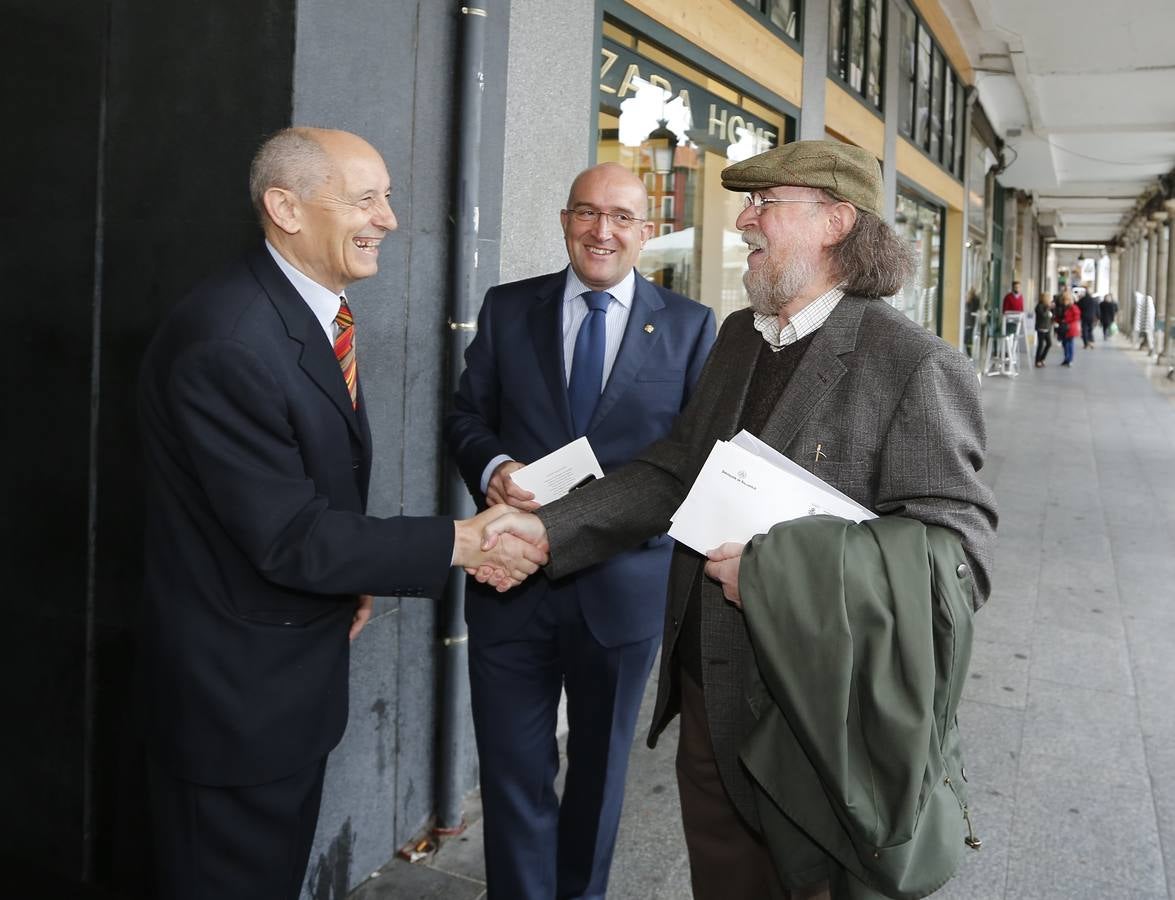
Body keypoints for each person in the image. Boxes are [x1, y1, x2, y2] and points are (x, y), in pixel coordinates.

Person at [477, 141, 997, 899]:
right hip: (709, 704)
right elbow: (671, 470)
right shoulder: (737, 337)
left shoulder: (911, 363)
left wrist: (777, 573)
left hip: (817, 722)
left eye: (764, 203)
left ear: (833, 222)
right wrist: (550, 527)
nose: (743, 220)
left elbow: (955, 559)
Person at [137, 127, 545, 900]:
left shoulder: (306, 313)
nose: (389, 218)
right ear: (285, 207)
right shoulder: (228, 340)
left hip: (282, 687)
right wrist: (461, 540)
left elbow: (300, 498)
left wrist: (352, 574)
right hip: (233, 707)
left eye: (387, 196)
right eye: (366, 198)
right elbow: (288, 534)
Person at [444, 162, 716, 900]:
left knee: (598, 773)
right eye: (587, 213)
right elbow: (465, 417)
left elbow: (690, 464)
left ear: (646, 231)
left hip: (621, 588)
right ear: (564, 220)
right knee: (512, 772)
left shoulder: (691, 328)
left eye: (622, 217)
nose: (603, 231)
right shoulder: (508, 309)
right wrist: (494, 464)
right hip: (509, 582)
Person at [1056, 290, 1080, 366]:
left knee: (1070, 344)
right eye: (1064, 299)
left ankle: (1070, 359)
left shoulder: (1073, 307)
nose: (1064, 301)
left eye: (1066, 299)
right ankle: (1066, 359)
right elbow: (1059, 316)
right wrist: (1059, 320)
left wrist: (1066, 320)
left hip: (1070, 328)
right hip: (1064, 328)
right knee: (1065, 344)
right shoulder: (1063, 307)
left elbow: (1076, 317)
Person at [1034, 293, 1053, 367]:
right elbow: (1043, 315)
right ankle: (1037, 361)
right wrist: (1048, 308)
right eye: (1048, 298)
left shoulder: (1047, 306)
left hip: (1047, 328)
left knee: (1049, 343)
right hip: (1041, 328)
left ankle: (1042, 358)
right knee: (1040, 345)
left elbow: (1050, 316)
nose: (1049, 300)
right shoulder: (1039, 306)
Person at [1078, 284, 1099, 348]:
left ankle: (1086, 343)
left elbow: (1078, 307)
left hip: (1084, 317)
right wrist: (1098, 317)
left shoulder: (1082, 300)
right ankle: (1091, 342)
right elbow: (1097, 309)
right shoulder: (1094, 300)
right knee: (1090, 329)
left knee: (1084, 330)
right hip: (1092, 317)